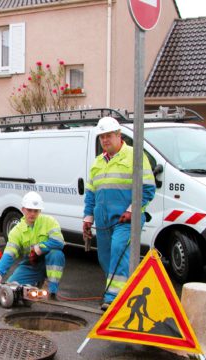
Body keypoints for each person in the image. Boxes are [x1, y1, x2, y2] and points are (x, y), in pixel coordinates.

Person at [83, 116, 155, 311]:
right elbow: (91, 193)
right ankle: (122, 292)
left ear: (118, 135)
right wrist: (88, 217)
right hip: (104, 221)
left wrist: (132, 210)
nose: (105, 140)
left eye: (108, 136)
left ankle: (113, 299)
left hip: (126, 220)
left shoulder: (135, 156)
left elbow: (148, 189)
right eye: (101, 137)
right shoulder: (98, 162)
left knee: (118, 251)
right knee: (105, 258)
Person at [0, 191, 65, 299]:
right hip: (31, 264)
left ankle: (51, 290)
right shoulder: (17, 231)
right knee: (12, 287)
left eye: (36, 210)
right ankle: (36, 282)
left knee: (56, 254)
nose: (32, 213)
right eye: (29, 210)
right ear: (23, 209)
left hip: (47, 262)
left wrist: (38, 248)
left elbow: (59, 242)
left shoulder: (50, 222)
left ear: (40, 211)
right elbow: (9, 254)